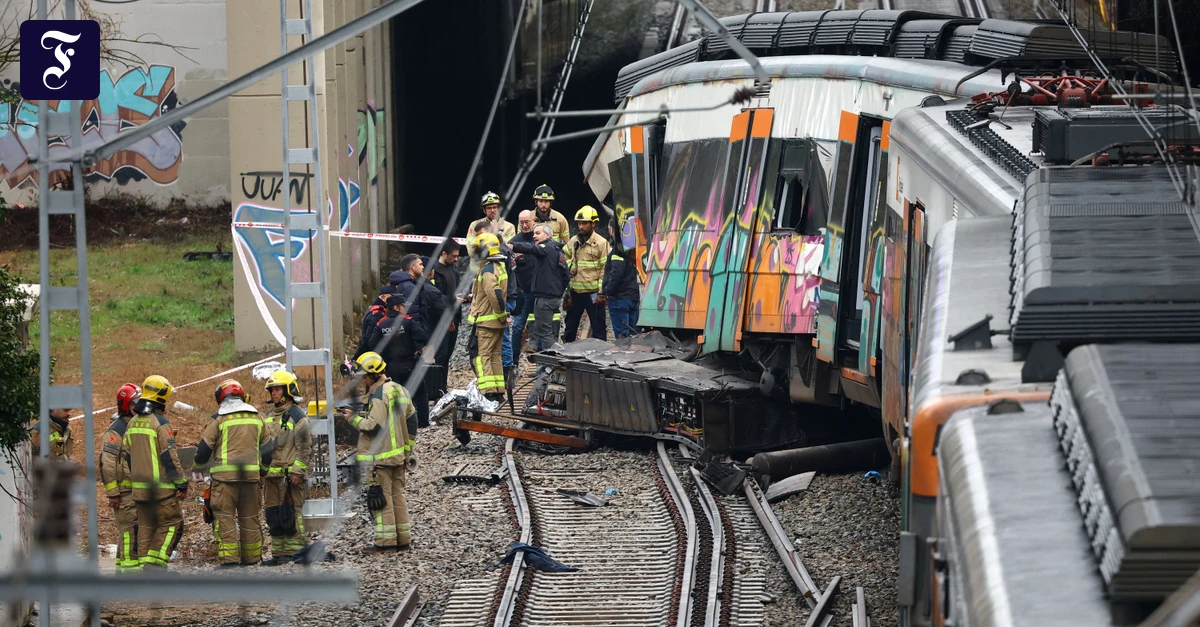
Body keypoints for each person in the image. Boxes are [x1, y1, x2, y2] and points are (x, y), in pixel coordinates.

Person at [338, 352, 416, 552]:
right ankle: (402, 538)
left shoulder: (380, 395)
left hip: (379, 459)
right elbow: (412, 421)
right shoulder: (399, 390)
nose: (362, 379)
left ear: (374, 374)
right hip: (398, 457)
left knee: (381, 500)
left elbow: (374, 426)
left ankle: (385, 542)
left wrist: (353, 419)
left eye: (364, 376)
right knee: (397, 497)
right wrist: (408, 451)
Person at [193, 379, 271, 568]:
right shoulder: (257, 417)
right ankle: (252, 560)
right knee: (250, 519)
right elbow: (268, 450)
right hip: (251, 480)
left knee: (224, 518)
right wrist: (262, 472)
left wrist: (197, 469)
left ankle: (229, 562)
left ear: (221, 398)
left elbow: (203, 450)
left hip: (224, 481)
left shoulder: (219, 418)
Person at [124, 375, 187, 570]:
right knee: (173, 524)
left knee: (146, 529)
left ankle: (145, 573)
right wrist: (181, 482)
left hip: (140, 491)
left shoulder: (133, 422)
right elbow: (169, 457)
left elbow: (127, 456)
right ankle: (155, 567)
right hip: (161, 491)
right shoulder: (161, 423)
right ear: (162, 397)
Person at [260, 371, 312, 566]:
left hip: (290, 478)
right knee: (273, 515)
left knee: (291, 515)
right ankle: (278, 554)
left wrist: (298, 472)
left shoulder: (298, 417)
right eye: (271, 389)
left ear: (289, 391)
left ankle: (295, 552)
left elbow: (305, 448)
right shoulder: (268, 415)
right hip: (271, 477)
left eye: (277, 389)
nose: (273, 393)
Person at [98, 383, 142, 573]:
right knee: (129, 532)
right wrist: (113, 493)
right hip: (124, 493)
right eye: (134, 404)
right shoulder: (116, 430)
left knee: (131, 531)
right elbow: (107, 463)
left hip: (136, 490)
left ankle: (122, 571)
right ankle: (129, 575)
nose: (138, 407)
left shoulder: (137, 424)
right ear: (125, 406)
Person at [510, 223, 569, 355]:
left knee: (545, 333)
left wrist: (513, 246)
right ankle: (546, 365)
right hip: (551, 297)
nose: (534, 236)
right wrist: (558, 291)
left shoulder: (546, 248)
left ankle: (553, 362)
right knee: (546, 331)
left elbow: (532, 248)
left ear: (547, 235)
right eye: (534, 233)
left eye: (538, 233)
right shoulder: (556, 250)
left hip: (545, 298)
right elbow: (566, 275)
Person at [376, 294, 431, 429]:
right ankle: (423, 422)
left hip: (390, 367)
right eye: (403, 306)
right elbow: (425, 337)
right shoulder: (408, 321)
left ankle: (397, 424)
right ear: (396, 307)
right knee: (420, 393)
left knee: (394, 396)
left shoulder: (381, 324)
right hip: (410, 364)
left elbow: (372, 344)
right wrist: (417, 348)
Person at [468, 232, 509, 402]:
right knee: (495, 355)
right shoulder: (499, 266)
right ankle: (498, 391)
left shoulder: (487, 270)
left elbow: (495, 295)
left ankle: (487, 393)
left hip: (487, 322)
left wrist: (501, 316)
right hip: (495, 322)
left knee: (481, 355)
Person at [563, 206, 611, 342]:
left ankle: (600, 356)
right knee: (570, 327)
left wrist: (602, 293)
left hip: (593, 294)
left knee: (598, 328)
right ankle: (567, 354)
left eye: (584, 223)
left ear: (593, 223)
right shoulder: (574, 241)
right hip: (576, 292)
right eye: (579, 223)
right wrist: (569, 266)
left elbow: (605, 269)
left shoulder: (601, 243)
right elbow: (564, 255)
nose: (581, 226)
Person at [428, 246, 462, 399]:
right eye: (453, 256)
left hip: (453, 318)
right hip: (441, 320)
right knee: (439, 356)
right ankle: (436, 390)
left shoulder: (453, 270)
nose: (456, 259)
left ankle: (442, 387)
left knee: (447, 355)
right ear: (443, 253)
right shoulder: (434, 271)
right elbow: (436, 297)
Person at [602, 222, 642, 338]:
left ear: (612, 230)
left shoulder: (618, 250)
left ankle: (625, 356)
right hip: (633, 296)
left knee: (622, 338)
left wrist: (608, 291)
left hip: (620, 298)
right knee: (635, 336)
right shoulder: (634, 248)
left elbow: (616, 273)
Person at [466, 192, 516, 265]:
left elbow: (509, 250)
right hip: (478, 268)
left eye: (495, 207)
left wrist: (496, 233)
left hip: (501, 267)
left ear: (499, 208)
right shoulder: (474, 225)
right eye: (489, 208)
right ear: (484, 210)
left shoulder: (509, 227)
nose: (492, 210)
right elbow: (471, 251)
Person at [355, 285, 397, 359]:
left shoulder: (375, 308)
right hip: (372, 357)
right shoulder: (378, 314)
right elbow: (368, 339)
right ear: (383, 297)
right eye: (392, 297)